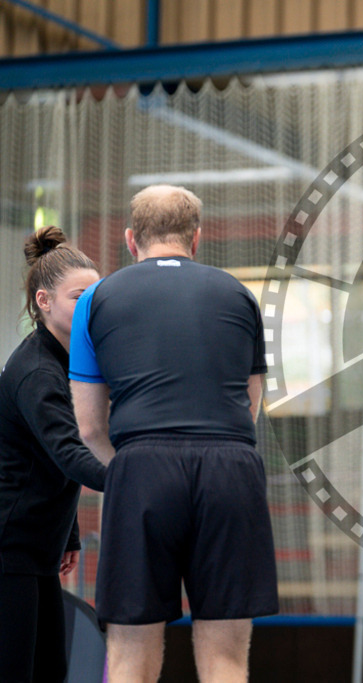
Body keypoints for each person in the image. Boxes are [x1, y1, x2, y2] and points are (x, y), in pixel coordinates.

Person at [69, 185, 278, 683]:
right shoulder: (238, 294)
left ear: (129, 239)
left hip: (141, 464)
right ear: (197, 238)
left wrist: (132, 467)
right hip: (229, 465)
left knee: (128, 653)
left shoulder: (97, 299)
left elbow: (90, 426)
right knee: (226, 656)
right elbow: (249, 406)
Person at [0, 226, 106, 682]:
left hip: (38, 549)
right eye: (79, 297)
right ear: (44, 302)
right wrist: (137, 474)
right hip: (10, 548)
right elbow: (70, 453)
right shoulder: (37, 371)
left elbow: (46, 460)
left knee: (48, 671)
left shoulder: (68, 360)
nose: (91, 307)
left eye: (96, 297)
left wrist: (70, 535)